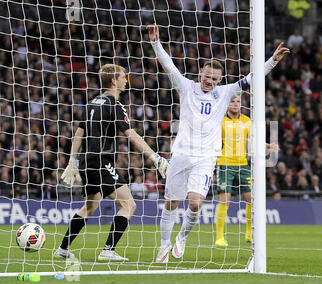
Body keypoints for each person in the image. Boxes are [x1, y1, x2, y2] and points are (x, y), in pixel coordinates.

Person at [146, 24, 289, 263]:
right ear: (200, 73)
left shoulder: (225, 92)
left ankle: (181, 237)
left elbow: (251, 78)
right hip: (181, 153)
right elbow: (168, 66)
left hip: (206, 157)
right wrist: (155, 43)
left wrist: (272, 61)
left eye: (214, 78)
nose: (209, 81)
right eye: (206, 77)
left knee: (195, 203)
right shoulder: (186, 87)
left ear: (219, 79)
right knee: (171, 202)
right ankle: (164, 244)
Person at [54, 64, 169, 261]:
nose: (126, 80)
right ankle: (108, 250)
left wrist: (73, 160)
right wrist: (155, 158)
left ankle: (63, 249)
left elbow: (79, 135)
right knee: (129, 205)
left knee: (90, 206)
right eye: (124, 77)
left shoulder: (91, 103)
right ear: (114, 80)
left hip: (86, 162)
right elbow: (131, 135)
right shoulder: (113, 104)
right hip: (101, 160)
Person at [215, 96, 279, 247]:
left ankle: (249, 233)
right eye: (232, 102)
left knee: (251, 198)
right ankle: (219, 237)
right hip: (224, 164)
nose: (236, 104)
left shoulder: (246, 121)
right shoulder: (220, 121)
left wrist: (269, 146)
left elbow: (255, 140)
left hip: (243, 164)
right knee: (225, 199)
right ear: (227, 104)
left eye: (238, 102)